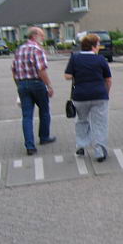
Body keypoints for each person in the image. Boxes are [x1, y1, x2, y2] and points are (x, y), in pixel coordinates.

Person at [64, 33, 112, 162]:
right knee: (99, 123)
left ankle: (81, 146)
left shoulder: (75, 58)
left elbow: (67, 76)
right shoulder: (100, 59)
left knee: (81, 121)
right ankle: (99, 151)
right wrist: (106, 93)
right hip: (99, 95)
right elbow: (108, 79)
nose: (99, 47)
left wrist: (78, 74)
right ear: (93, 46)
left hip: (80, 96)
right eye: (98, 44)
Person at [11, 27, 56, 155]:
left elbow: (14, 70)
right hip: (36, 83)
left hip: (22, 84)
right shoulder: (37, 50)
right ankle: (44, 137)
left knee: (27, 115)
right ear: (35, 35)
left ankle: (30, 146)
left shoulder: (19, 50)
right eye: (42, 35)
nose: (43, 38)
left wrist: (19, 85)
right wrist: (49, 86)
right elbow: (41, 70)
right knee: (44, 110)